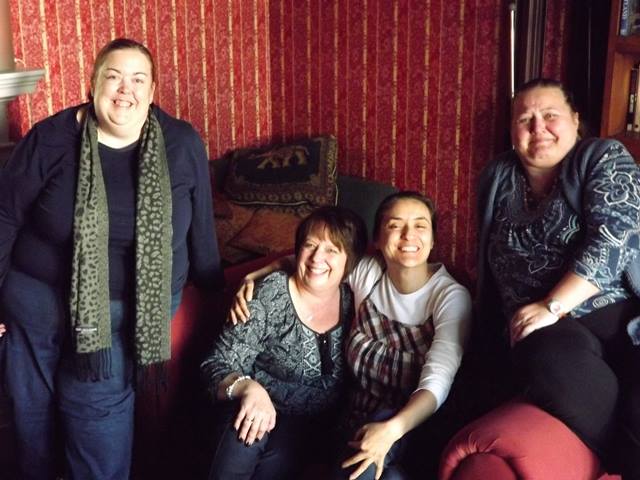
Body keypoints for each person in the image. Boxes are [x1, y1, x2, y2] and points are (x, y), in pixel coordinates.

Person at [0, 38, 223, 479]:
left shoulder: (181, 144)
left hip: (123, 313)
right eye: (114, 77)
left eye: (138, 79)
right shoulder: (51, 138)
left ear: (153, 90)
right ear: (93, 83)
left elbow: (201, 225)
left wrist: (219, 292)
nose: (125, 90)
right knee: (32, 412)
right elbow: (4, 214)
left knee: (95, 413)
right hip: (36, 301)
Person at [229, 191, 472, 480]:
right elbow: (311, 263)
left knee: (366, 457)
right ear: (377, 239)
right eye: (395, 225)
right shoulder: (368, 273)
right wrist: (254, 276)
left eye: (420, 226)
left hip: (415, 426)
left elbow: (437, 382)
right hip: (354, 423)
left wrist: (390, 430)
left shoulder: (450, 297)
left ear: (432, 240)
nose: (409, 235)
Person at [476, 78, 640, 478]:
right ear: (512, 130)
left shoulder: (602, 156)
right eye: (525, 119)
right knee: (554, 365)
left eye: (550, 115)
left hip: (617, 315)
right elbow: (487, 265)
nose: (538, 128)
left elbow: (616, 238)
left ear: (575, 120)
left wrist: (552, 305)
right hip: (546, 332)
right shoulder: (497, 177)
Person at [201, 206, 368, 479]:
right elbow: (215, 363)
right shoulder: (270, 294)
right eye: (309, 245)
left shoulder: (355, 298)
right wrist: (248, 388)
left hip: (316, 426)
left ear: (350, 261)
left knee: (275, 462)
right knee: (244, 434)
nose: (317, 258)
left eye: (331, 250)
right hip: (258, 404)